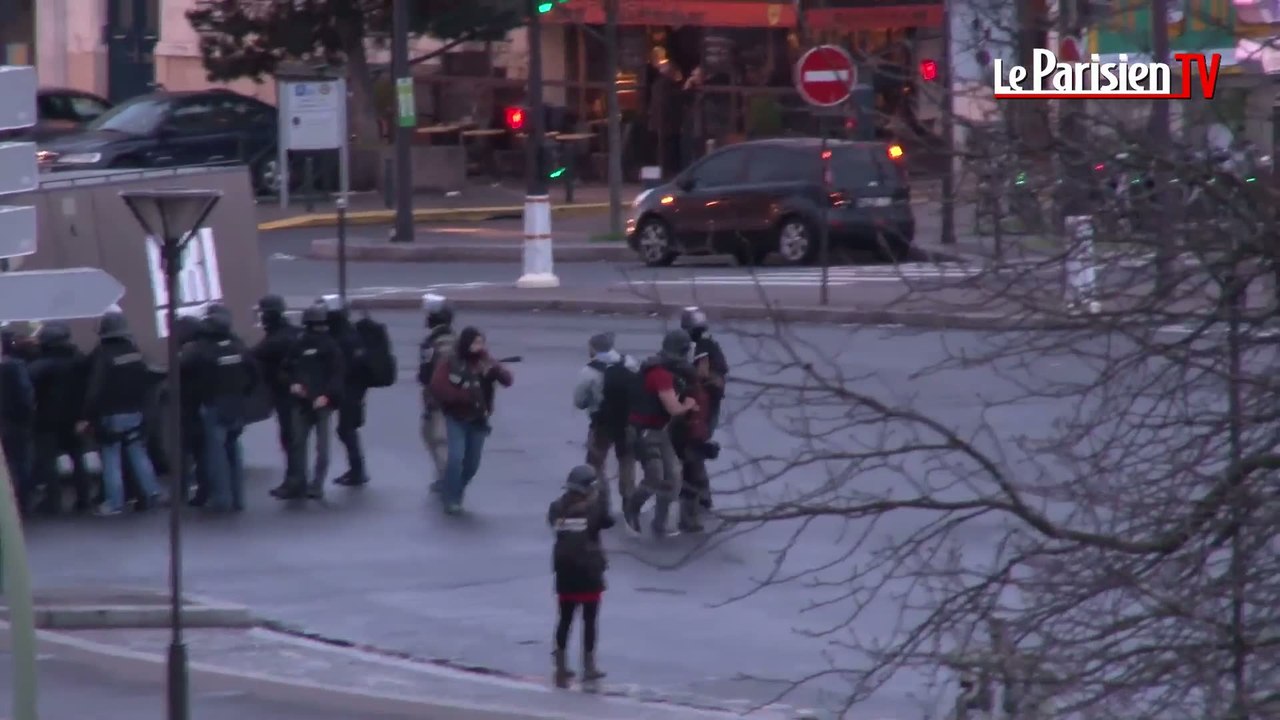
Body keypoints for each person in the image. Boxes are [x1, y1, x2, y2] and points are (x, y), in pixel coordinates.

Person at [79, 308, 165, 516]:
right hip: (134, 411)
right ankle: (152, 492)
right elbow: (148, 375)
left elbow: (95, 389)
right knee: (138, 453)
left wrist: (86, 414)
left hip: (111, 414)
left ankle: (114, 503)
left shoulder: (102, 354)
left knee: (111, 459)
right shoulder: (133, 350)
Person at [621, 329, 698, 537]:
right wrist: (689, 404)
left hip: (657, 430)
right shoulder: (660, 375)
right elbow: (673, 408)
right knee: (654, 477)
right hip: (644, 432)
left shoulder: (661, 371)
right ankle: (632, 509)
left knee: (673, 477)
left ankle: (660, 523)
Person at [428, 326, 513, 515]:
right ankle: (452, 498)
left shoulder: (485, 361)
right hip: (457, 417)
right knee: (456, 458)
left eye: (481, 342)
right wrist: (465, 396)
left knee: (472, 464)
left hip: (479, 420)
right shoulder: (451, 362)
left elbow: (507, 380)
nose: (479, 346)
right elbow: (438, 387)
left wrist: (496, 370)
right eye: (475, 342)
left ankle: (454, 488)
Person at [182, 303, 259, 512]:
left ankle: (221, 500)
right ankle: (238, 500)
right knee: (234, 451)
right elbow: (253, 373)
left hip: (213, 406)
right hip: (235, 404)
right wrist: (244, 394)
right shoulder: (238, 345)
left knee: (216, 455)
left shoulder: (200, 349)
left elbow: (183, 372)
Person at [547, 465, 612, 687]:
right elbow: (608, 521)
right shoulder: (594, 509)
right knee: (589, 620)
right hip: (589, 573)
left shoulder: (556, 508)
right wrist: (603, 496)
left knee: (565, 618)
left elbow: (555, 526)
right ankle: (589, 666)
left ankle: (561, 663)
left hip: (565, 573)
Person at [276, 303, 344, 501]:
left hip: (317, 402)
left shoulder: (327, 346)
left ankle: (313, 483)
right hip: (306, 401)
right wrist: (292, 384)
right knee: (302, 444)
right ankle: (308, 483)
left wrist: (326, 396)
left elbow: (337, 374)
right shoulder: (303, 344)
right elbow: (285, 369)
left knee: (312, 446)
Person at [572, 331, 638, 519]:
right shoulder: (629, 363)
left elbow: (579, 401)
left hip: (602, 423)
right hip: (628, 421)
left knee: (596, 463)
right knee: (627, 460)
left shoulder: (589, 371)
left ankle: (602, 503)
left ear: (593, 348)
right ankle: (628, 500)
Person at [27, 322, 91, 514]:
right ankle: (84, 498)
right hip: (76, 417)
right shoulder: (80, 360)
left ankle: (53, 501)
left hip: (47, 419)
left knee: (48, 462)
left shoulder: (40, 365)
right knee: (78, 459)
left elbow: (28, 389)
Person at [252, 294, 302, 492]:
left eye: (263, 313)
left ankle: (294, 481)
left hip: (285, 395)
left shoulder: (275, 340)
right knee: (296, 438)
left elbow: (252, 355)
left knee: (290, 438)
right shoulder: (294, 332)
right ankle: (299, 479)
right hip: (298, 394)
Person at [321, 295, 370, 487]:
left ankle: (357, 471)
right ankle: (357, 470)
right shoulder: (350, 332)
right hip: (356, 388)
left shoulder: (341, 337)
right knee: (347, 429)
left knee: (346, 429)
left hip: (349, 388)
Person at [671, 348, 717, 534]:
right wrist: (691, 443)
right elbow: (680, 419)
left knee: (696, 479)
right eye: (704, 363)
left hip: (695, 440)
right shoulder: (688, 387)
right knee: (690, 479)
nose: (708, 367)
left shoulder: (700, 385)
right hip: (687, 442)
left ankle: (695, 515)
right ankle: (687, 521)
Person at [417, 293, 456, 492]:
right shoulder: (437, 338)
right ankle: (444, 474)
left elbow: (440, 372)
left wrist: (435, 397)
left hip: (440, 398)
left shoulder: (444, 341)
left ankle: (447, 478)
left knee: (438, 437)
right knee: (428, 433)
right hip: (434, 396)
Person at [171, 314, 208, 506]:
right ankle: (203, 491)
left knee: (184, 453)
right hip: (201, 407)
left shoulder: (188, 352)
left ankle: (181, 494)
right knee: (202, 453)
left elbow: (178, 370)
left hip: (189, 408)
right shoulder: (204, 348)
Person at [0, 326, 35, 515]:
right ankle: (22, 502)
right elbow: (25, 395)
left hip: (5, 419)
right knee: (20, 462)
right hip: (16, 421)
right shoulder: (14, 366)